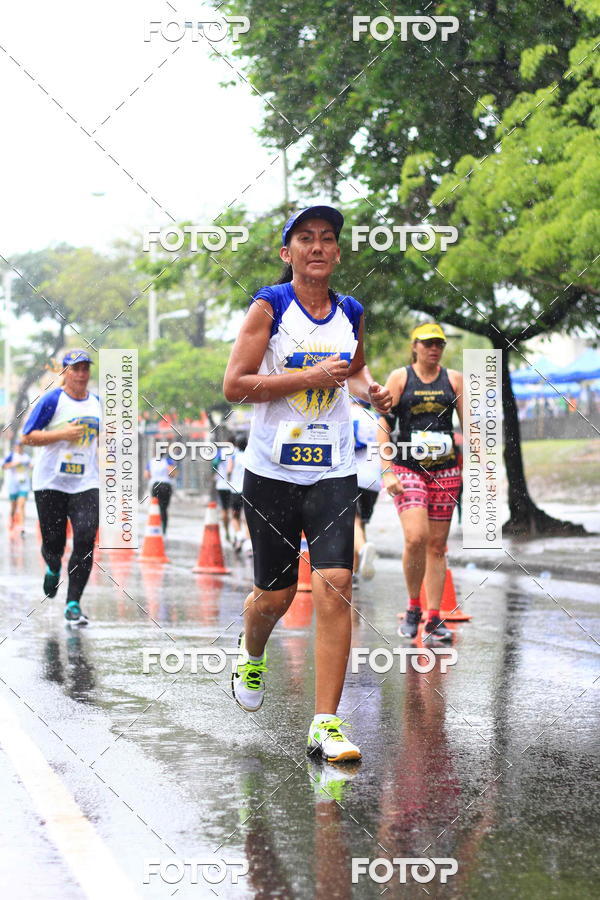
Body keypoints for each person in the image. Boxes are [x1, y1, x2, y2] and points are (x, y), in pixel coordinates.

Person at [224, 204, 391, 762]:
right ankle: (252, 653)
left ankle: (326, 724)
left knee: (336, 581)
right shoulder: (269, 307)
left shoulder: (351, 311)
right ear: (287, 252)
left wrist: (371, 392)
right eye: (305, 238)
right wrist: (308, 376)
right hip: (271, 472)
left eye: (326, 238)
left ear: (338, 253)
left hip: (333, 469)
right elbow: (235, 385)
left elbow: (357, 370)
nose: (317, 246)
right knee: (274, 595)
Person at [377, 323, 463, 642]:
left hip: (445, 469)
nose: (434, 349)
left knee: (437, 546)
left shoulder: (454, 380)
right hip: (407, 467)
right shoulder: (401, 378)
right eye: (428, 343)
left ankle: (435, 618)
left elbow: (471, 425)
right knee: (416, 538)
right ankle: (414, 607)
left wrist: (479, 462)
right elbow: (384, 424)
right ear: (414, 346)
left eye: (439, 344)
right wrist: (387, 470)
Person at [21, 350, 101, 626]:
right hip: (50, 482)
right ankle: (53, 567)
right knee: (54, 543)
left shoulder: (97, 403)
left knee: (86, 539)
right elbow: (27, 437)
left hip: (86, 482)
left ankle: (73, 603)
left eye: (85, 368)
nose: (81, 374)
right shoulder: (53, 400)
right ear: (65, 372)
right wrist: (62, 434)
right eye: (75, 369)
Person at [350, 399, 381, 587]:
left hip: (353, 474)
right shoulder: (376, 418)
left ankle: (362, 550)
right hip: (374, 480)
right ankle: (353, 573)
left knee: (352, 522)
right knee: (360, 524)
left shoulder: (348, 415)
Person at [227, 434, 251, 554]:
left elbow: (229, 470)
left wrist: (229, 477)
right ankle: (248, 544)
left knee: (234, 516)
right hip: (246, 490)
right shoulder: (249, 455)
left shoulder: (233, 455)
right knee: (246, 518)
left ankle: (239, 535)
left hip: (235, 490)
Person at [2, 440, 32, 533]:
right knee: (14, 506)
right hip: (13, 484)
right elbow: (4, 466)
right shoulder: (11, 456)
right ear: (15, 447)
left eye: (21, 446)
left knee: (21, 505)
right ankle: (11, 520)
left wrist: (31, 466)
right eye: (18, 446)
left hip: (24, 484)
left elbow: (31, 465)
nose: (19, 448)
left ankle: (22, 527)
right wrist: (14, 464)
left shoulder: (26, 457)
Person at [145, 445, 176, 533]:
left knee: (155, 507)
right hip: (166, 485)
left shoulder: (151, 462)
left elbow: (146, 475)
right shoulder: (168, 461)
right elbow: (172, 474)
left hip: (155, 486)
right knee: (164, 509)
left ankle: (155, 527)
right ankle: (163, 529)